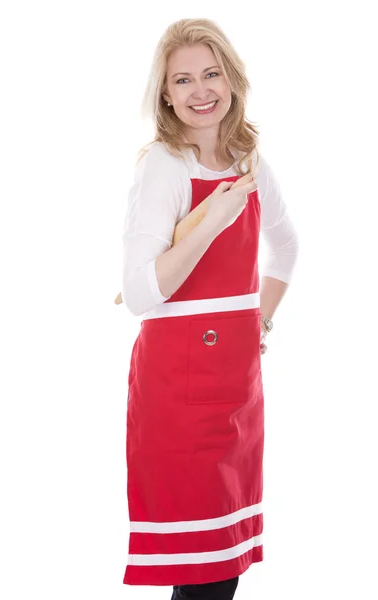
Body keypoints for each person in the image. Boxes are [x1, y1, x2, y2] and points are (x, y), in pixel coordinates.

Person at [120, 18, 299, 600]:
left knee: (225, 568)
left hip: (237, 392)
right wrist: (213, 220)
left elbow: (287, 247)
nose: (201, 91)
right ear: (166, 95)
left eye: (212, 73)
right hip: (177, 396)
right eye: (183, 79)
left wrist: (261, 320)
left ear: (231, 80)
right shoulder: (165, 167)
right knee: (204, 576)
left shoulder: (249, 163)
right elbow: (142, 294)